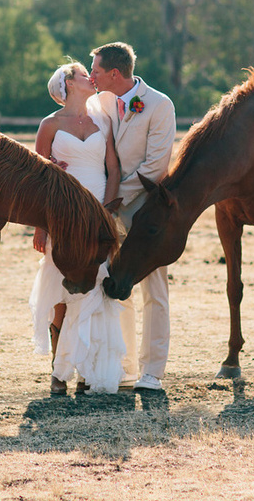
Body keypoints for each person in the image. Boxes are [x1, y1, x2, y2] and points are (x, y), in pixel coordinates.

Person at [29, 61, 125, 395]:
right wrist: (41, 228)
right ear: (69, 83)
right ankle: (59, 371)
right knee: (61, 291)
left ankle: (87, 370)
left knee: (95, 291)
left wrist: (108, 212)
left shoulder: (103, 120)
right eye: (86, 75)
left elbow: (112, 169)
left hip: (99, 213)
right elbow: (38, 180)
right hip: (63, 216)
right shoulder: (50, 125)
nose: (92, 78)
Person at [90, 42, 176, 391]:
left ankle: (152, 371)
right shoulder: (100, 101)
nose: (91, 75)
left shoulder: (159, 105)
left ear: (114, 73)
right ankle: (122, 367)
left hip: (145, 212)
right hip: (106, 209)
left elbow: (155, 168)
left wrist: (112, 199)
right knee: (112, 284)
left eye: (95, 70)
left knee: (154, 290)